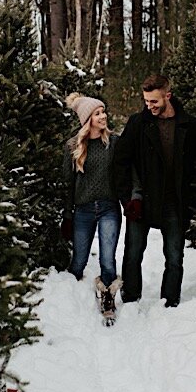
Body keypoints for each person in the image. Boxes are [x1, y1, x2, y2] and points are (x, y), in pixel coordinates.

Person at [113, 74, 196, 308]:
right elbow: (120, 161)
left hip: (174, 201)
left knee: (174, 257)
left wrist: (194, 201)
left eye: (154, 101)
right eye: (146, 101)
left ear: (167, 96)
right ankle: (131, 298)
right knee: (133, 253)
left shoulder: (190, 126)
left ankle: (170, 302)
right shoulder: (137, 124)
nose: (149, 106)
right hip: (141, 201)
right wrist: (127, 199)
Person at [62, 93, 123, 320]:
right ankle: (69, 301)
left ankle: (108, 299)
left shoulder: (114, 143)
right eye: (97, 113)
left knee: (108, 259)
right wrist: (68, 215)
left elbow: (125, 173)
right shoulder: (72, 146)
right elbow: (68, 184)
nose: (103, 116)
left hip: (109, 207)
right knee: (79, 260)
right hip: (83, 210)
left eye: (103, 112)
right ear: (87, 119)